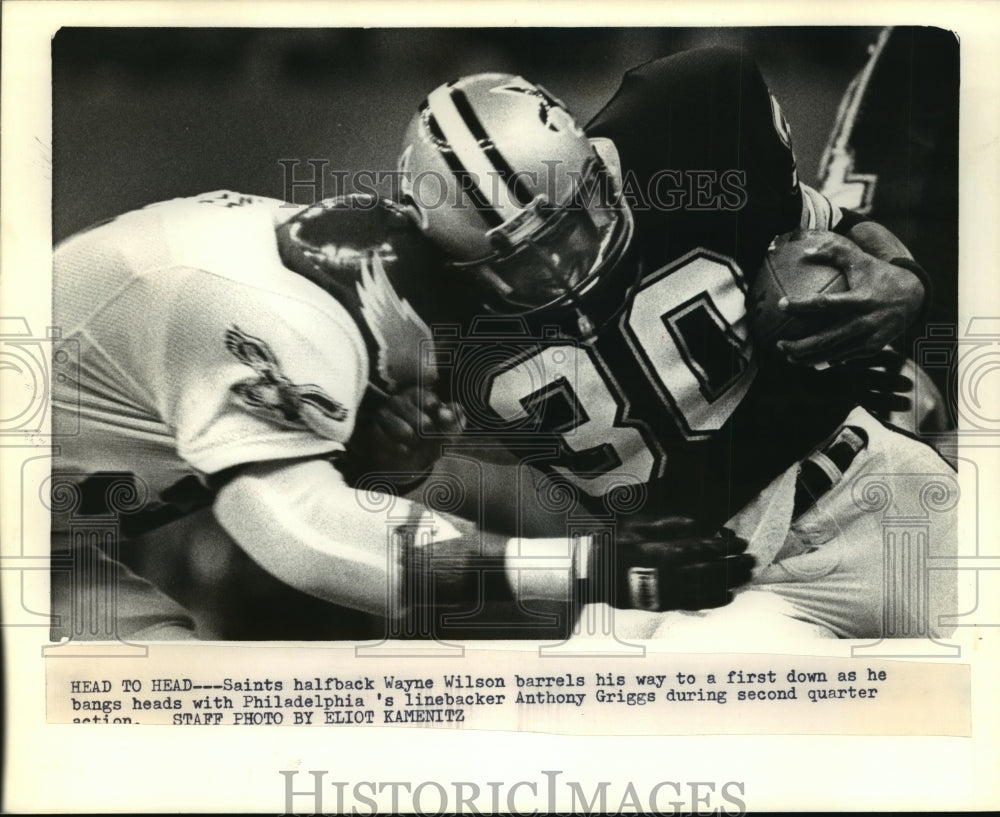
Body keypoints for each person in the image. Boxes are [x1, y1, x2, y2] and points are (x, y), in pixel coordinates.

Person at [384, 48, 958, 640]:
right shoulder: (420, 311)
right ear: (455, 262)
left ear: (595, 167)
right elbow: (391, 474)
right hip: (688, 575)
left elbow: (830, 225)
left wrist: (903, 277)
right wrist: (400, 453)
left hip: (866, 493)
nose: (561, 267)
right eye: (522, 263)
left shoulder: (681, 142)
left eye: (569, 225)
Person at [49, 189, 754, 641]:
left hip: (50, 538)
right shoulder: (272, 317)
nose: (449, 399)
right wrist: (588, 570)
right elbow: (298, 533)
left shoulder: (318, 273)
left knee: (176, 709)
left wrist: (369, 466)